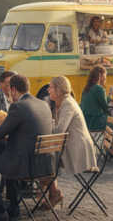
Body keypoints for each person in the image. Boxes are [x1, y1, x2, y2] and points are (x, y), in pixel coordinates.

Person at [0, 75, 53, 221]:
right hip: (44, 164)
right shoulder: (43, 104)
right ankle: (14, 206)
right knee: (7, 155)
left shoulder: (18, 107)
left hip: (25, 165)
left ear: (13, 89)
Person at [39, 76, 98, 211]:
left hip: (78, 151)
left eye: (51, 87)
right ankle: (52, 192)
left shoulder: (68, 104)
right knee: (44, 157)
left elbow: (59, 130)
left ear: (59, 90)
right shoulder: (60, 103)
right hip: (68, 147)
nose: (48, 90)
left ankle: (51, 192)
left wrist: (41, 128)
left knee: (43, 158)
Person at [81, 65, 113, 161]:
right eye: (105, 75)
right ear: (100, 75)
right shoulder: (99, 88)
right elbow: (104, 107)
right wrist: (110, 97)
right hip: (96, 121)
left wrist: (109, 98)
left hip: (87, 121)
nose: (105, 78)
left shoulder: (86, 89)